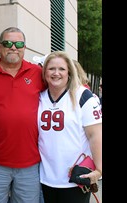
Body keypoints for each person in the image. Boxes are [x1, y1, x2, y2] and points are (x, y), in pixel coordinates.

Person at [0, 27, 45, 203]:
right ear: (0, 47)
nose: (13, 47)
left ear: (24, 48)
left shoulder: (38, 73)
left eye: (19, 43)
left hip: (29, 163)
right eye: (8, 43)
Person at [38, 51, 102, 203]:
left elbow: (96, 135)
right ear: (44, 72)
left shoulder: (83, 96)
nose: (56, 73)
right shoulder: (39, 97)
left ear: (69, 72)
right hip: (45, 178)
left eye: (61, 69)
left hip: (75, 178)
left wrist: (99, 170)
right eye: (51, 69)